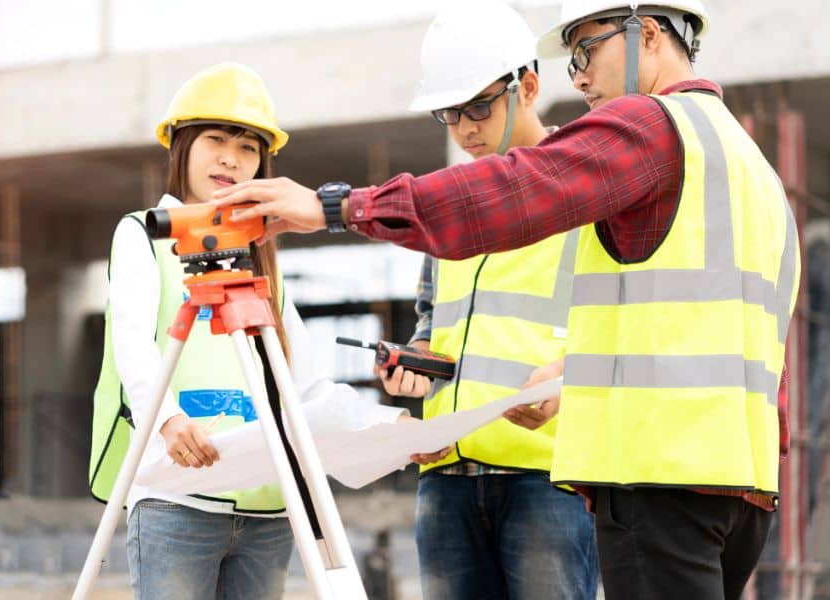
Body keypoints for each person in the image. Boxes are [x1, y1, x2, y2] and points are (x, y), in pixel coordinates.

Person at [213, 1, 802, 598]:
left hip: (653, 472)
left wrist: (338, 207)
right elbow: (704, 328)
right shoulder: (752, 167)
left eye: (586, 50)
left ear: (647, 34)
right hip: (737, 481)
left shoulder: (654, 128)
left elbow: (520, 187)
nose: (579, 76)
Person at [87, 62, 408, 600]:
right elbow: (132, 349)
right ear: (181, 146)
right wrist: (167, 422)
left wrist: (391, 429)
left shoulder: (262, 262)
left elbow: (305, 387)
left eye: (248, 148)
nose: (230, 158)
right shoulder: (143, 235)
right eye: (215, 139)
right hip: (178, 493)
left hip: (267, 505)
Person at [379, 3, 597, 599]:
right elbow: (433, 321)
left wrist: (566, 377)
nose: (464, 128)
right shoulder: (449, 206)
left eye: (478, 106)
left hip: (546, 479)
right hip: (445, 475)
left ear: (528, 86)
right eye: (449, 112)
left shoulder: (582, 193)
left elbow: (620, 327)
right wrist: (413, 362)